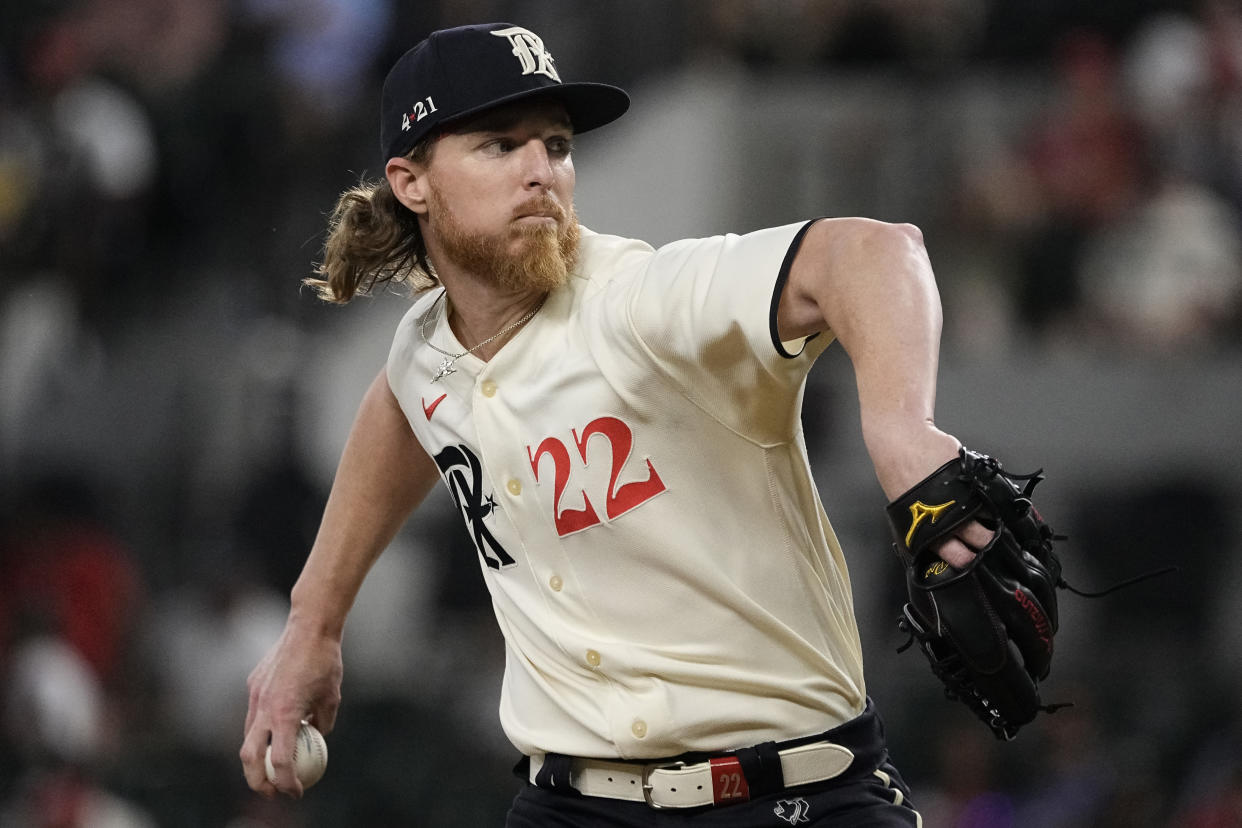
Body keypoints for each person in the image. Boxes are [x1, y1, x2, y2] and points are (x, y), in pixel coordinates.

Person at [239, 21, 991, 826]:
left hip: (792, 794)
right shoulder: (428, 348)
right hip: (572, 806)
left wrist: (904, 432)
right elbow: (400, 401)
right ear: (411, 181)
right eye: (500, 145)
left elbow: (873, 252)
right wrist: (312, 625)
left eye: (556, 146)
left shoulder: (644, 303)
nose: (542, 173)